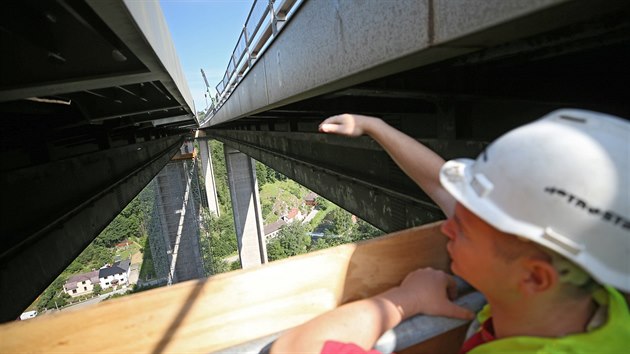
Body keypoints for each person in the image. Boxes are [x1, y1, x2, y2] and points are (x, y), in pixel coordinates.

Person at [271, 109, 630, 353]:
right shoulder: (591, 285)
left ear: (536, 278)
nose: (446, 225)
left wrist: (405, 299)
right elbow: (444, 185)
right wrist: (374, 127)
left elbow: (294, 349)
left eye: (465, 228)